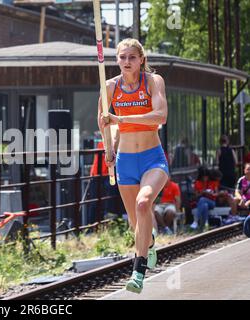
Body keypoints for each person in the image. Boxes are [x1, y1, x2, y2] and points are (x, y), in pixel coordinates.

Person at [99, 38, 169, 294]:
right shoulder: (108, 87)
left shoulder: (153, 81)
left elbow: (160, 115)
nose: (127, 62)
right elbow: (103, 122)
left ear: (141, 60)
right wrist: (108, 151)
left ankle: (138, 271)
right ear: (117, 60)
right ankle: (149, 244)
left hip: (153, 158)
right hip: (125, 161)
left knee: (143, 204)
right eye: (122, 57)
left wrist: (121, 118)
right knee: (135, 223)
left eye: (132, 57)